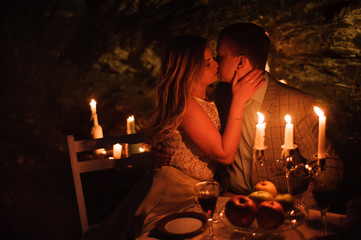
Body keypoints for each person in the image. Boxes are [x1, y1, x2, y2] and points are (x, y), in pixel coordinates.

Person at [86, 34, 263, 239]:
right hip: (174, 192)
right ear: (189, 71)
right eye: (207, 63)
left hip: (195, 189)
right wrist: (239, 101)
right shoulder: (185, 104)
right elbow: (224, 154)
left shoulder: (209, 96)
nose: (216, 63)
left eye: (213, 57)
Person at [214, 23, 343, 207]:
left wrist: (298, 208)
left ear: (240, 62)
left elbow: (329, 167)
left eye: (220, 55)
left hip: (278, 207)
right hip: (229, 201)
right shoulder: (220, 94)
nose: (216, 61)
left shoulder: (295, 103)